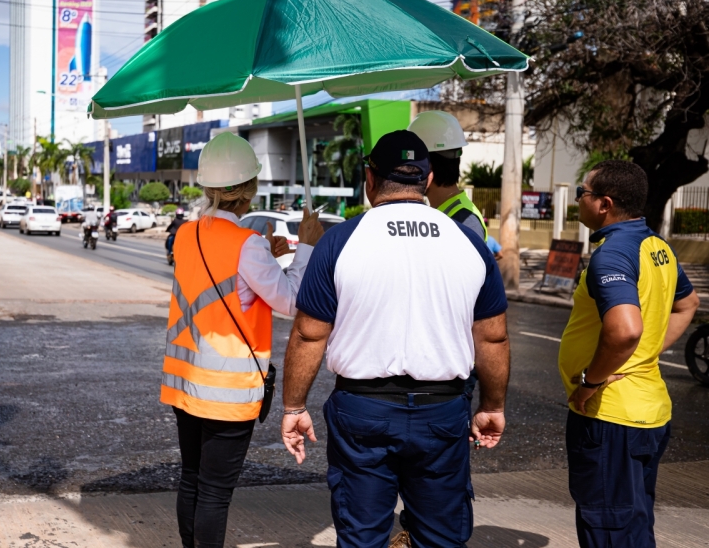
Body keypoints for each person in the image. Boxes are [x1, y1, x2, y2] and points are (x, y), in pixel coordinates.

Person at [281, 129, 510, 548]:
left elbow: (309, 334)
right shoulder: (469, 243)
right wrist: (492, 406)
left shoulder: (339, 241)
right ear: (427, 179)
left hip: (363, 411)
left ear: (370, 179)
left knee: (362, 537)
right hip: (442, 411)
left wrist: (294, 406)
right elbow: (492, 339)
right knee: (440, 538)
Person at [163, 131, 324, 548]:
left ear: (208, 187)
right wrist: (305, 248)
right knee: (215, 492)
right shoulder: (247, 245)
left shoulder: (186, 234)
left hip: (184, 382)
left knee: (191, 479)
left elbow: (226, 281)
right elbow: (290, 300)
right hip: (227, 391)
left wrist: (266, 255)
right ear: (249, 189)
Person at [558, 160, 698, 547]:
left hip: (611, 417)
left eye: (582, 193)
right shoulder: (657, 247)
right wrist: (645, 353)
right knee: (633, 526)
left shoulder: (614, 254)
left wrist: (590, 382)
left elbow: (625, 330)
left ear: (604, 204)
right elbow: (688, 304)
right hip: (647, 412)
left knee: (609, 531)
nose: (577, 200)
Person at [408, 110, 487, 240]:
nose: (408, 171)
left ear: (427, 167)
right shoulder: (445, 212)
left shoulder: (465, 222)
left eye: (411, 164)